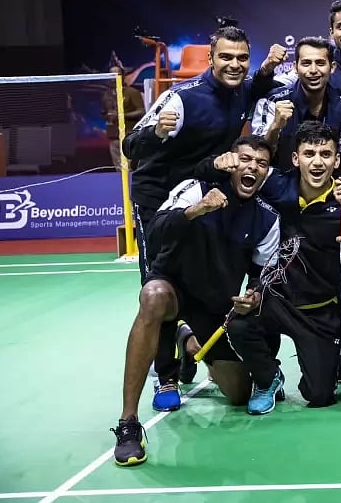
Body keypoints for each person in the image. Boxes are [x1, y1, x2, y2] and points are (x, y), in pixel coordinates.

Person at [121, 26, 282, 411]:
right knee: (156, 287)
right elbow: (130, 146)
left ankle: (191, 337)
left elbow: (257, 88)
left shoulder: (242, 88)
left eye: (242, 58)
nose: (235, 64)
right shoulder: (181, 97)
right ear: (210, 59)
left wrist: (267, 70)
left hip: (203, 190)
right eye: (226, 57)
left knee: (204, 277)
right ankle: (166, 377)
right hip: (159, 196)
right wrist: (157, 133)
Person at [111, 136, 280, 466]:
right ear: (232, 164)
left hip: (213, 306)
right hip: (173, 287)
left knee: (238, 394)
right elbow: (155, 231)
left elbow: (262, 275)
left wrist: (254, 295)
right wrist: (195, 210)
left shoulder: (266, 218)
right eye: (245, 160)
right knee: (152, 297)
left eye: (261, 164)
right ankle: (128, 423)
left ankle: (186, 339)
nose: (252, 168)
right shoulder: (195, 187)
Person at [227, 122, 341, 415]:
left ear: (337, 160)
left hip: (320, 312)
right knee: (238, 324)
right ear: (295, 159)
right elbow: (236, 175)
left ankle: (336, 359)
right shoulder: (275, 187)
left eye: (325, 154)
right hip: (277, 299)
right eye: (309, 153)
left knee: (318, 395)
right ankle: (269, 378)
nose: (317, 161)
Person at [251, 37, 341, 174]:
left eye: (320, 63)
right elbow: (257, 157)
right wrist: (275, 127)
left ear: (332, 67)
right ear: (295, 67)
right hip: (278, 188)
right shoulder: (272, 101)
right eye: (306, 63)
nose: (313, 70)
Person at [103, 64, 145, 171]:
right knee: (118, 167)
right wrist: (108, 117)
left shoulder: (132, 92)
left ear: (123, 76)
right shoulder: (106, 95)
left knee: (128, 166)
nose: (113, 78)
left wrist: (122, 115)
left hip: (128, 132)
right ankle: (121, 186)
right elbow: (104, 112)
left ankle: (130, 186)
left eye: (116, 74)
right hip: (114, 134)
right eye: (111, 75)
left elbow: (141, 111)